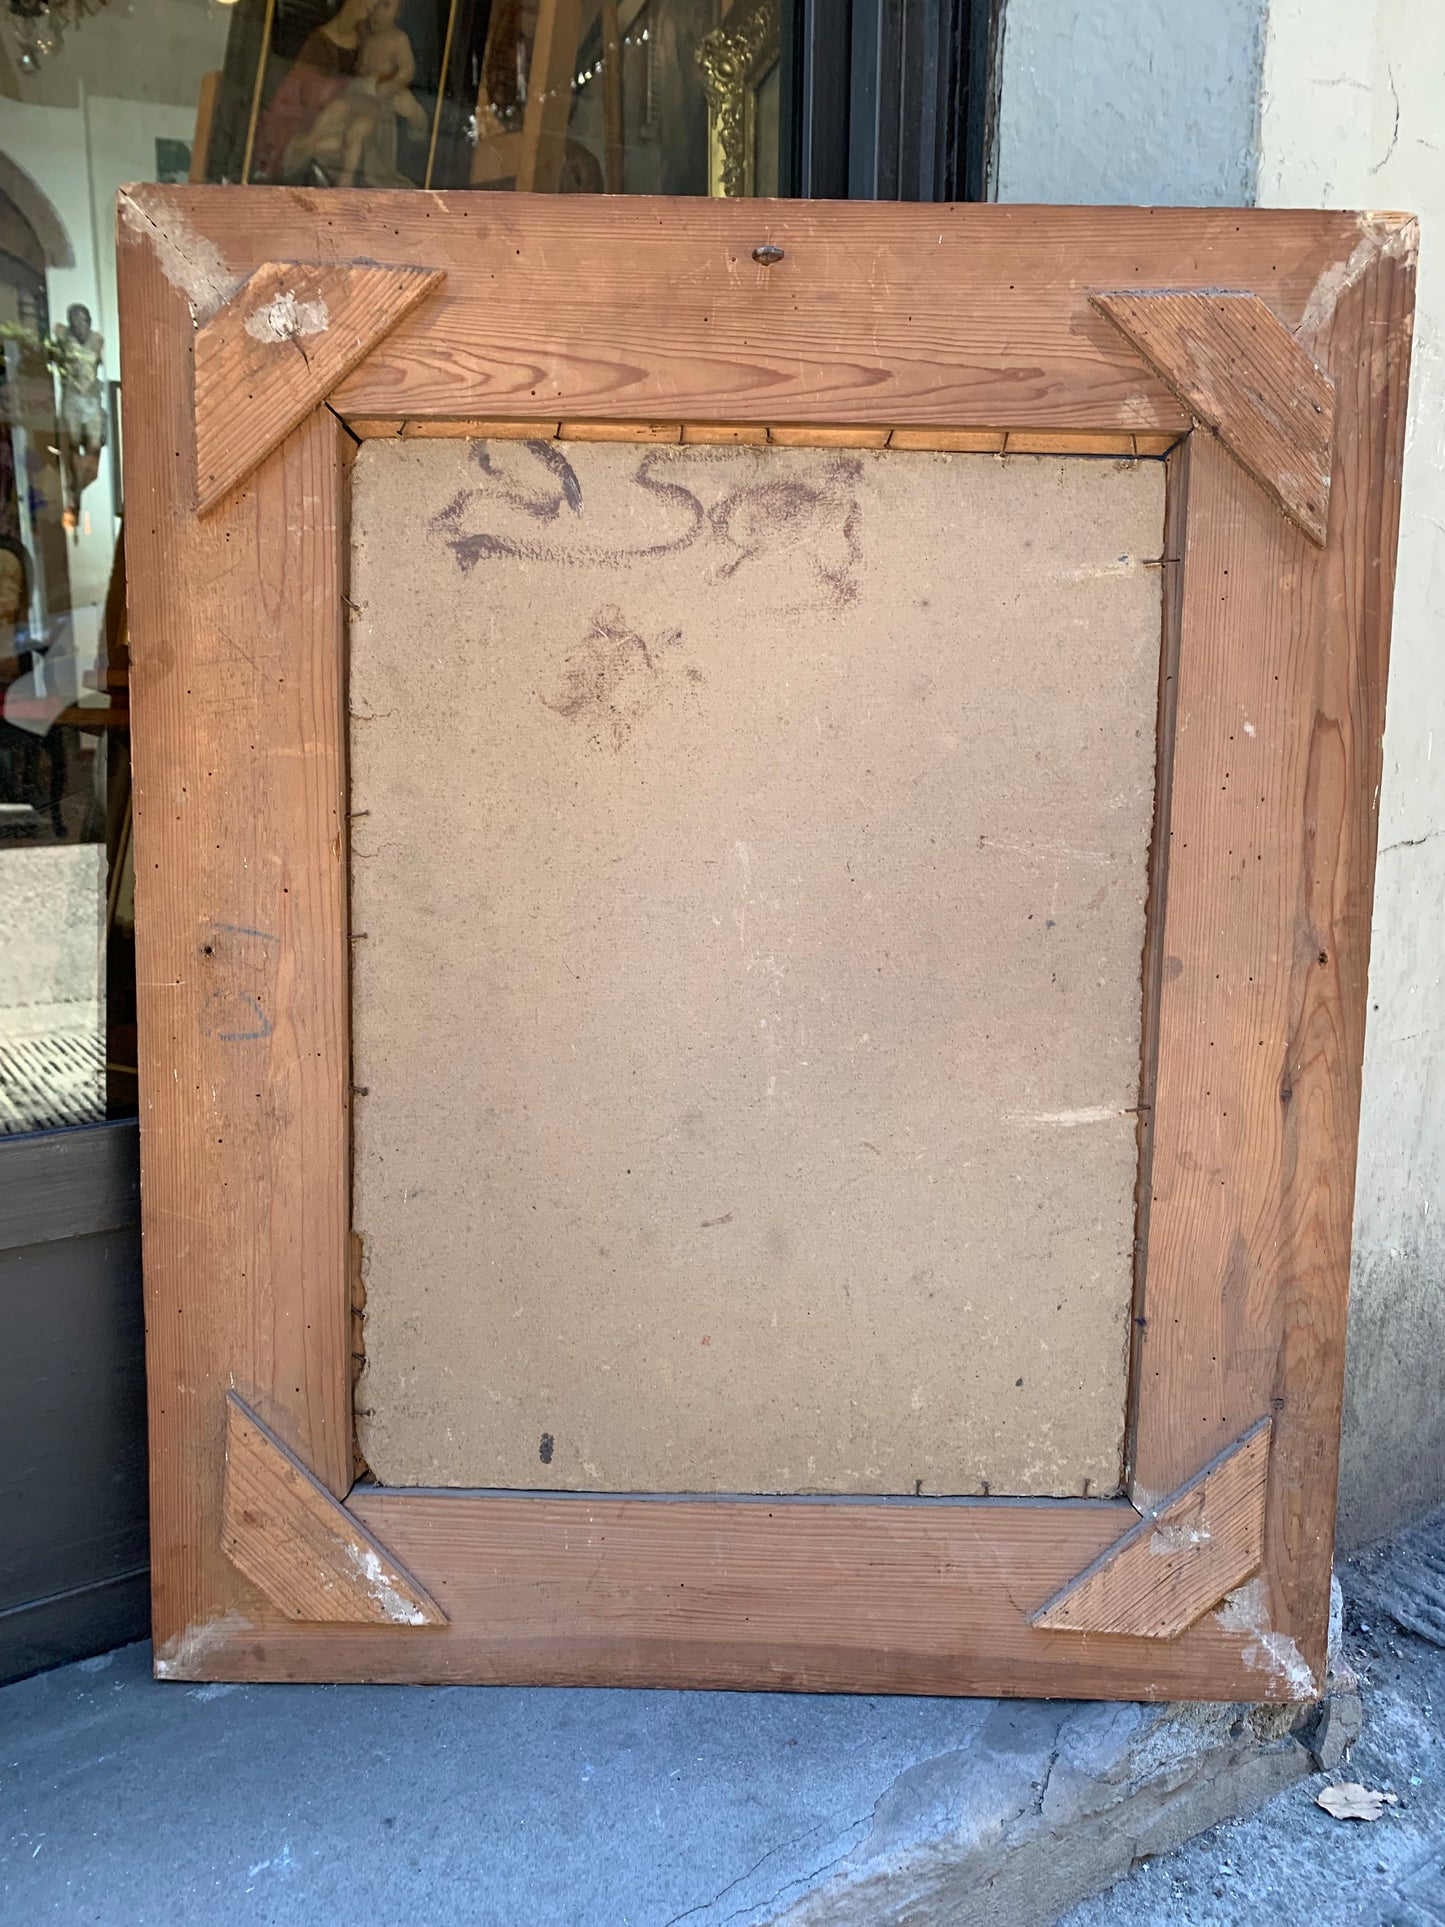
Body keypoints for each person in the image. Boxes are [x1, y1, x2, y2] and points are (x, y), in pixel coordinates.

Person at [284, 0, 429, 188]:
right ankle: (308, 142)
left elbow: (407, 70)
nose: (377, 12)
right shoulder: (365, 34)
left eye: (385, 6)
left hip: (377, 100)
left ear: (398, 13)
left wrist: (391, 86)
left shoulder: (398, 39)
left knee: (355, 133)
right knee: (336, 109)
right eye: (374, 5)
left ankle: (346, 177)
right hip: (356, 93)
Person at [52, 305, 106, 535]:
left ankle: (74, 497)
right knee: (71, 450)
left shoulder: (97, 340)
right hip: (72, 401)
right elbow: (56, 333)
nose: (79, 324)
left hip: (92, 402)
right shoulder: (63, 335)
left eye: (83, 319)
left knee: (92, 456)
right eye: (75, 320)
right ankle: (72, 502)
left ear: (90, 321)